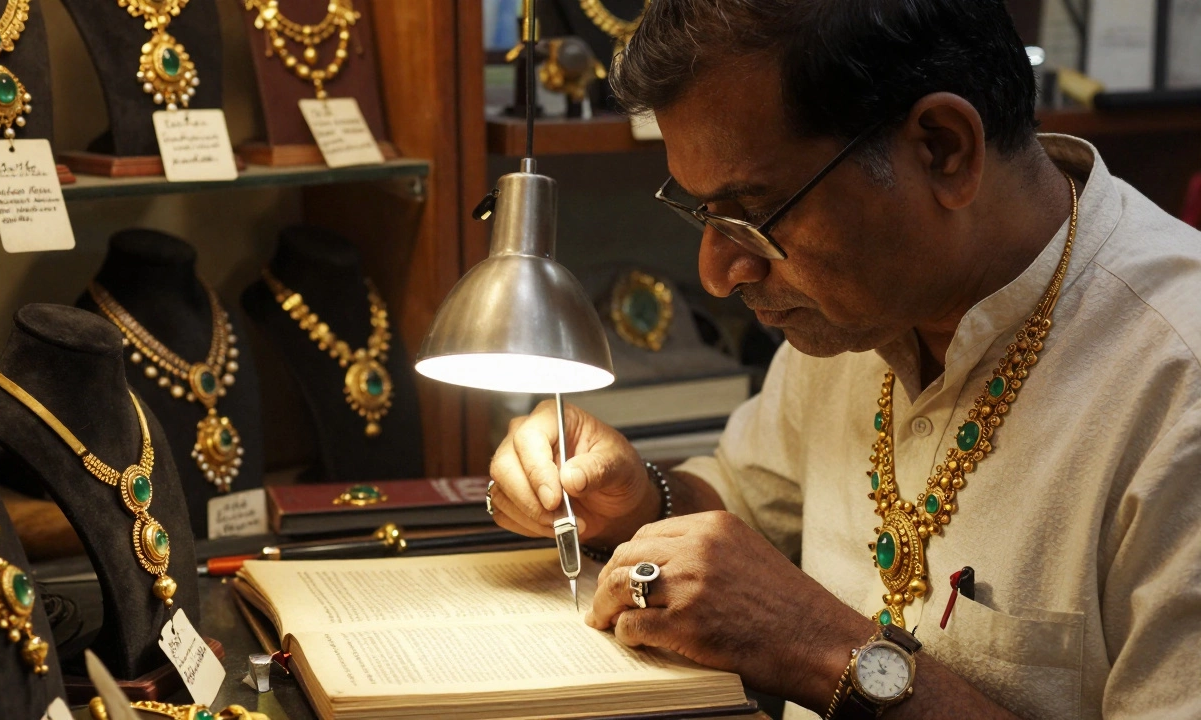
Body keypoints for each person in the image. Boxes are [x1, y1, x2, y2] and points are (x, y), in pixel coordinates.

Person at [484, 1, 1201, 718]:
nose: (717, 273)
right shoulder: (854, 308)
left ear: (943, 149)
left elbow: (780, 615)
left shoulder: (1176, 384)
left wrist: (819, 648)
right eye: (701, 213)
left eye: (753, 214)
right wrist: (636, 498)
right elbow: (748, 508)